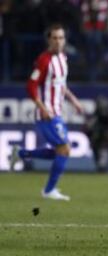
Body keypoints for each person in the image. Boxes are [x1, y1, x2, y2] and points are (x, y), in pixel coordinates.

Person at [10, 24, 84, 201]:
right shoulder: (44, 60)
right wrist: (42, 108)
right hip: (46, 113)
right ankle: (49, 190)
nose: (58, 41)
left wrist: (73, 100)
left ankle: (21, 154)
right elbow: (31, 86)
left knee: (61, 151)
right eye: (55, 38)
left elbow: (61, 84)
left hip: (56, 112)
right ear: (49, 40)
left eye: (61, 38)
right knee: (64, 149)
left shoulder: (63, 58)